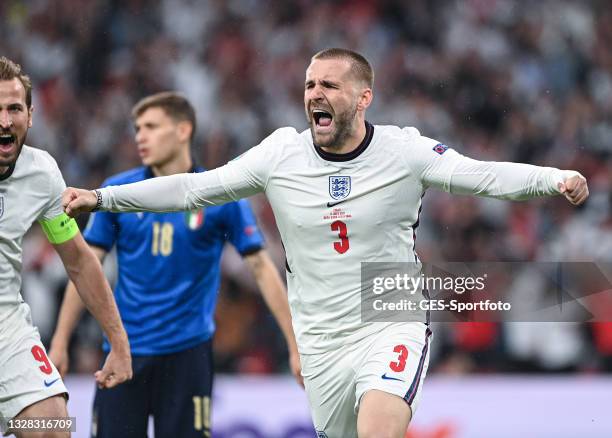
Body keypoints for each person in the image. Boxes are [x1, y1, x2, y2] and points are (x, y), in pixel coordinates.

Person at [61, 49, 589, 438]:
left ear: (363, 98)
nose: (315, 93)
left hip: (388, 311)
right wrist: (105, 199)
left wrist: (553, 178)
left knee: (380, 427)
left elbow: (482, 175)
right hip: (320, 336)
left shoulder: (405, 151)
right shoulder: (280, 156)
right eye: (311, 83)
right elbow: (195, 188)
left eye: (330, 85)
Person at [49, 91, 301, 438]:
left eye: (151, 126)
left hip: (187, 356)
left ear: (183, 130)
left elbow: (261, 267)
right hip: (124, 351)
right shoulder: (118, 189)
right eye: (137, 128)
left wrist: (294, 343)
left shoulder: (221, 193)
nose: (140, 136)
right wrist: (60, 342)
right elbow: (84, 267)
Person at [0, 57, 132, 437]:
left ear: (31, 115)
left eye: (14, 109)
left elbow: (78, 261)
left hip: (7, 328)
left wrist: (118, 339)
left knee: (54, 424)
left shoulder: (41, 175)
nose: (5, 121)